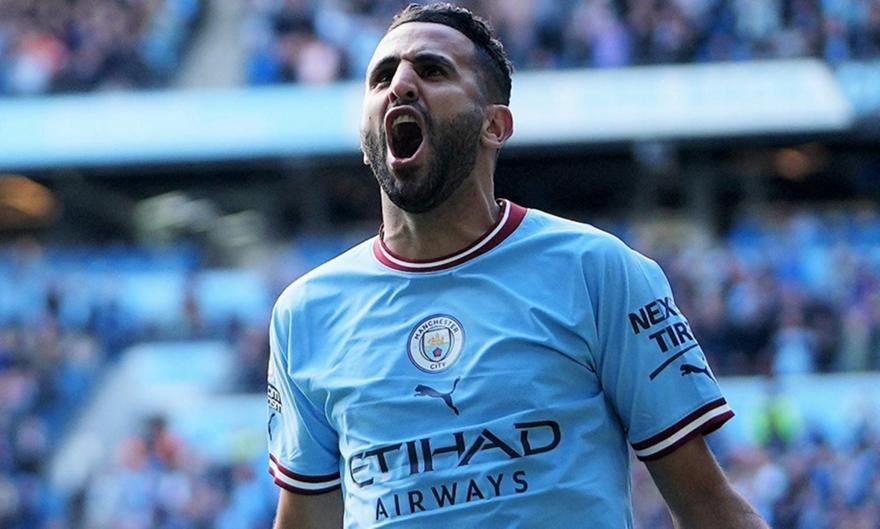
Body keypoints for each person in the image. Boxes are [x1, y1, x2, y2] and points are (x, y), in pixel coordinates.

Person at [267, 3, 770, 528]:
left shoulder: (597, 272)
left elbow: (706, 504)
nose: (401, 86)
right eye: (382, 77)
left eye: (432, 70)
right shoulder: (305, 314)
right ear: (365, 138)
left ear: (495, 125)